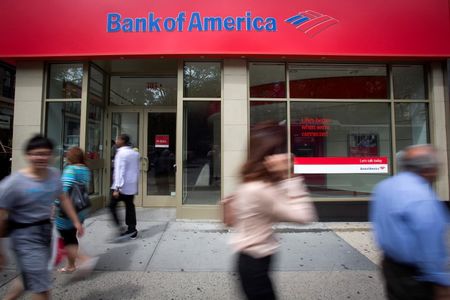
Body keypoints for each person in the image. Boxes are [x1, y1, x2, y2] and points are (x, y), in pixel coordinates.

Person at [230, 122, 317, 300]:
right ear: (267, 155)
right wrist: (291, 175)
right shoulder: (260, 190)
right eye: (279, 150)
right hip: (255, 262)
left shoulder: (253, 181)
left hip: (251, 260)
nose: (286, 155)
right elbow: (304, 216)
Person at [0, 134, 84, 300]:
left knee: (29, 278)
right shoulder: (13, 183)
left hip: (45, 232)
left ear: (52, 156)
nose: (41, 157)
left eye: (45, 153)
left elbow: (63, 197)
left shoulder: (53, 175)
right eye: (36, 153)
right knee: (42, 288)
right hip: (24, 236)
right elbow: (1, 215)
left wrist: (75, 221)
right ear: (28, 155)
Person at [370, 144, 450, 300]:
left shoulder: (384, 187)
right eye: (436, 167)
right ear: (428, 169)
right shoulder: (423, 198)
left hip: (390, 265)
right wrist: (442, 281)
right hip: (416, 276)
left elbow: (379, 225)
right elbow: (431, 246)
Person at [55, 147, 97, 274]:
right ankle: (71, 265)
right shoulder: (85, 170)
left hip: (68, 209)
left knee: (66, 237)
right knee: (71, 236)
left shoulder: (70, 169)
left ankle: (83, 259)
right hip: (81, 208)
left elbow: (63, 191)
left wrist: (56, 204)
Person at [110, 133, 140, 240]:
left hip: (121, 187)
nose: (116, 141)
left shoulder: (121, 154)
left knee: (111, 206)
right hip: (131, 186)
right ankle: (132, 230)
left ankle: (120, 229)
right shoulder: (135, 154)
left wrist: (117, 188)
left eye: (118, 139)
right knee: (130, 207)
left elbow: (120, 171)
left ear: (122, 141)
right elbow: (137, 170)